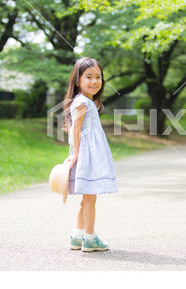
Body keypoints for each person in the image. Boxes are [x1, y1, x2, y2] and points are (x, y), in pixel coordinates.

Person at [62, 57, 118, 252]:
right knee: (90, 199)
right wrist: (75, 155)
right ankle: (90, 238)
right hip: (87, 157)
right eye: (89, 77)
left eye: (98, 77)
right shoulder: (82, 103)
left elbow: (74, 129)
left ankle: (78, 236)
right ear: (78, 80)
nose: (94, 81)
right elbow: (76, 131)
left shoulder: (85, 102)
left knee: (86, 199)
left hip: (89, 154)